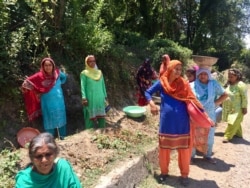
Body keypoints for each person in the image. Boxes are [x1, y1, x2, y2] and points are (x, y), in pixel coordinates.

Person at [145, 60, 204, 186]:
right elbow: (147, 92)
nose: (178, 71)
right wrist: (151, 104)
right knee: (164, 149)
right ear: (170, 69)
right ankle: (164, 173)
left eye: (180, 69)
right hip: (166, 123)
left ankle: (184, 175)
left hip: (183, 123)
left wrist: (203, 115)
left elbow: (192, 99)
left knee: (184, 150)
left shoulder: (183, 83)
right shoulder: (162, 82)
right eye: (176, 69)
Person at [22, 57, 67, 139]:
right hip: (47, 103)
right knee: (49, 120)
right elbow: (28, 82)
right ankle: (50, 139)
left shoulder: (58, 73)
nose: (48, 67)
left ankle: (63, 137)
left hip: (59, 102)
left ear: (53, 66)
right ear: (43, 66)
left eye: (50, 65)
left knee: (61, 118)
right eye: (46, 65)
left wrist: (59, 83)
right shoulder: (39, 76)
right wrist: (28, 85)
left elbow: (64, 78)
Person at [15, 132, 82, 188]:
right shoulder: (24, 181)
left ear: (55, 154)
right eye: (39, 156)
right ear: (32, 158)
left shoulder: (63, 169)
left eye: (48, 154)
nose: (44, 160)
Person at [190, 68, 228, 164]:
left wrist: (216, 103)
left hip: (210, 114)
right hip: (196, 114)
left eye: (205, 74)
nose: (203, 76)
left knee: (210, 135)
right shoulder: (192, 85)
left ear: (208, 75)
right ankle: (191, 156)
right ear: (198, 75)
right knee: (194, 134)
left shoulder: (213, 84)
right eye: (201, 74)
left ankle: (207, 155)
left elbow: (225, 94)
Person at [80, 55, 107, 129]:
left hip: (100, 97)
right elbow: (83, 86)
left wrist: (105, 96)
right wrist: (84, 97)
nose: (92, 63)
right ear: (86, 62)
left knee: (101, 116)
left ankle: (102, 131)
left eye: (94, 61)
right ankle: (89, 134)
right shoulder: (84, 73)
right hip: (90, 98)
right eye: (90, 61)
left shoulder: (99, 72)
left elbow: (103, 85)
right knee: (89, 116)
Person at [222, 68, 248, 143]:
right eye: (229, 76)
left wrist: (244, 107)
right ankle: (239, 134)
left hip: (238, 108)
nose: (229, 77)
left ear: (237, 76)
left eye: (231, 76)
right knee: (236, 121)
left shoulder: (241, 85)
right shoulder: (229, 84)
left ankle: (227, 136)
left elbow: (244, 97)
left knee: (232, 122)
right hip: (229, 108)